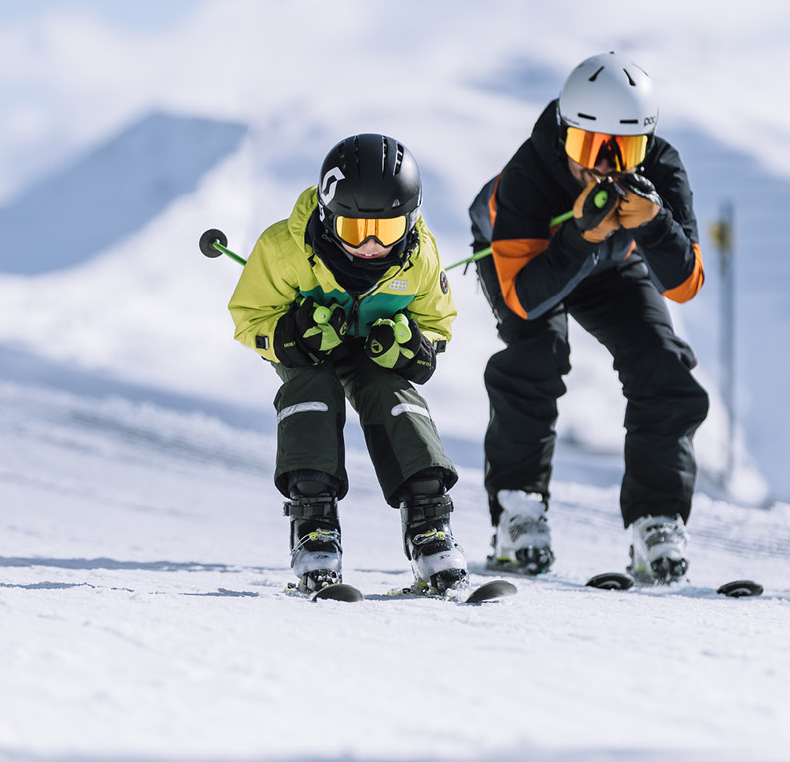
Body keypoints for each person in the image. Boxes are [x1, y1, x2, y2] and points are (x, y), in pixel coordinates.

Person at [469, 53, 708, 583]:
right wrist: (580, 237)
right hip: (525, 262)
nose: (603, 165)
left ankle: (657, 518)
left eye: (623, 150)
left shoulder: (661, 170)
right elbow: (523, 300)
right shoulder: (531, 171)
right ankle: (518, 509)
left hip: (611, 263)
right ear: (564, 132)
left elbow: (685, 284)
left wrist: (655, 222)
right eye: (588, 146)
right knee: (536, 354)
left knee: (663, 364)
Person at [228, 133, 467, 594]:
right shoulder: (284, 248)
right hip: (313, 352)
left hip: (375, 355)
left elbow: (438, 323)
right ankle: (314, 527)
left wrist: (414, 349)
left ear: (411, 221)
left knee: (394, 395)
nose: (372, 246)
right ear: (326, 215)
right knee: (312, 390)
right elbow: (249, 316)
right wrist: (293, 335)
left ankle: (429, 526)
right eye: (355, 230)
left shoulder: (420, 259)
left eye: (389, 230)